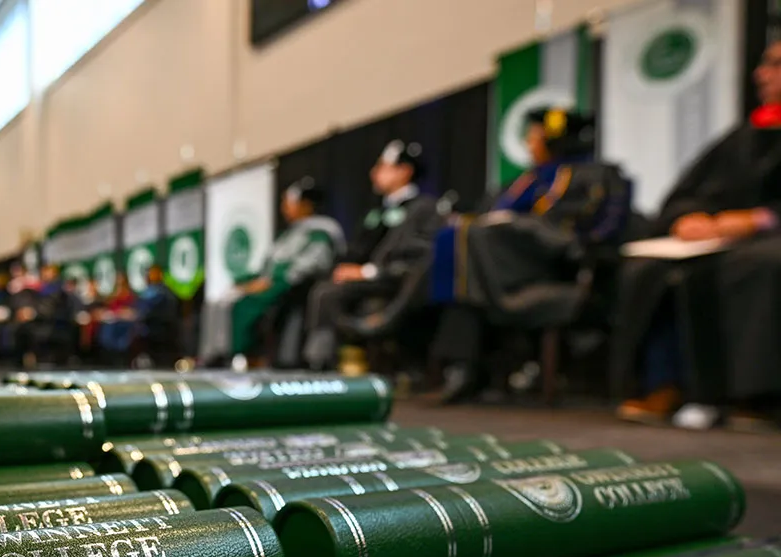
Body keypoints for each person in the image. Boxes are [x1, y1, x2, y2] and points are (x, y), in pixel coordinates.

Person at [611, 39, 781, 431]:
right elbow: (685, 193)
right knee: (651, 268)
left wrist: (761, 219)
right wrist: (689, 218)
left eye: (774, 64)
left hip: (766, 239)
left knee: (757, 265)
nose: (761, 74)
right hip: (719, 240)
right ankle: (666, 383)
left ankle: (754, 395)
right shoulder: (741, 138)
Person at [429, 108, 629, 402]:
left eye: (534, 137)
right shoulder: (524, 181)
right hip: (499, 267)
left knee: (469, 241)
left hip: (551, 267)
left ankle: (465, 368)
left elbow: (585, 235)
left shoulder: (594, 176)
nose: (528, 143)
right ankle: (464, 367)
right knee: (458, 235)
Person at [299, 140, 439, 370]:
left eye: (383, 166)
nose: (374, 173)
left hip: (396, 280)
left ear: (404, 171)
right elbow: (357, 250)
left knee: (327, 294)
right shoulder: (376, 212)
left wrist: (367, 272)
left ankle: (321, 367)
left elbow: (417, 254)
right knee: (323, 285)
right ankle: (327, 362)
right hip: (367, 279)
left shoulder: (423, 208)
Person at [198, 178, 343, 366]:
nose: (284, 208)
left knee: (241, 306)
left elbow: (308, 266)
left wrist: (272, 281)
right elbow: (267, 267)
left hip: (290, 288)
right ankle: (214, 355)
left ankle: (243, 357)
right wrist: (248, 281)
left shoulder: (321, 232)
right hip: (271, 284)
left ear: (305, 205)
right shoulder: (290, 233)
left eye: (289, 202)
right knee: (218, 303)